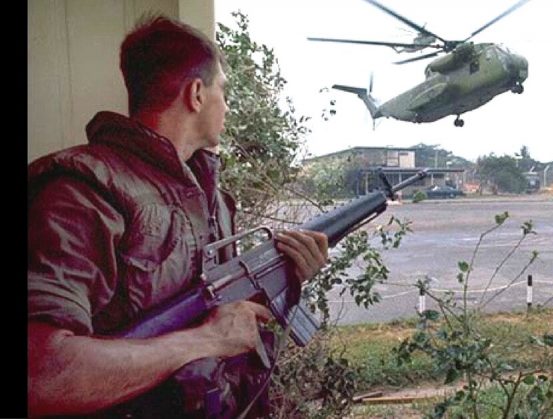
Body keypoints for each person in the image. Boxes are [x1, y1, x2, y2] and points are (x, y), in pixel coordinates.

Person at [27, 15, 329, 417]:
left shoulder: (211, 198)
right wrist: (207, 341)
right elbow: (42, 374)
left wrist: (288, 274)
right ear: (196, 94)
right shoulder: (83, 190)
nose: (228, 104)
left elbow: (212, 309)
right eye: (224, 90)